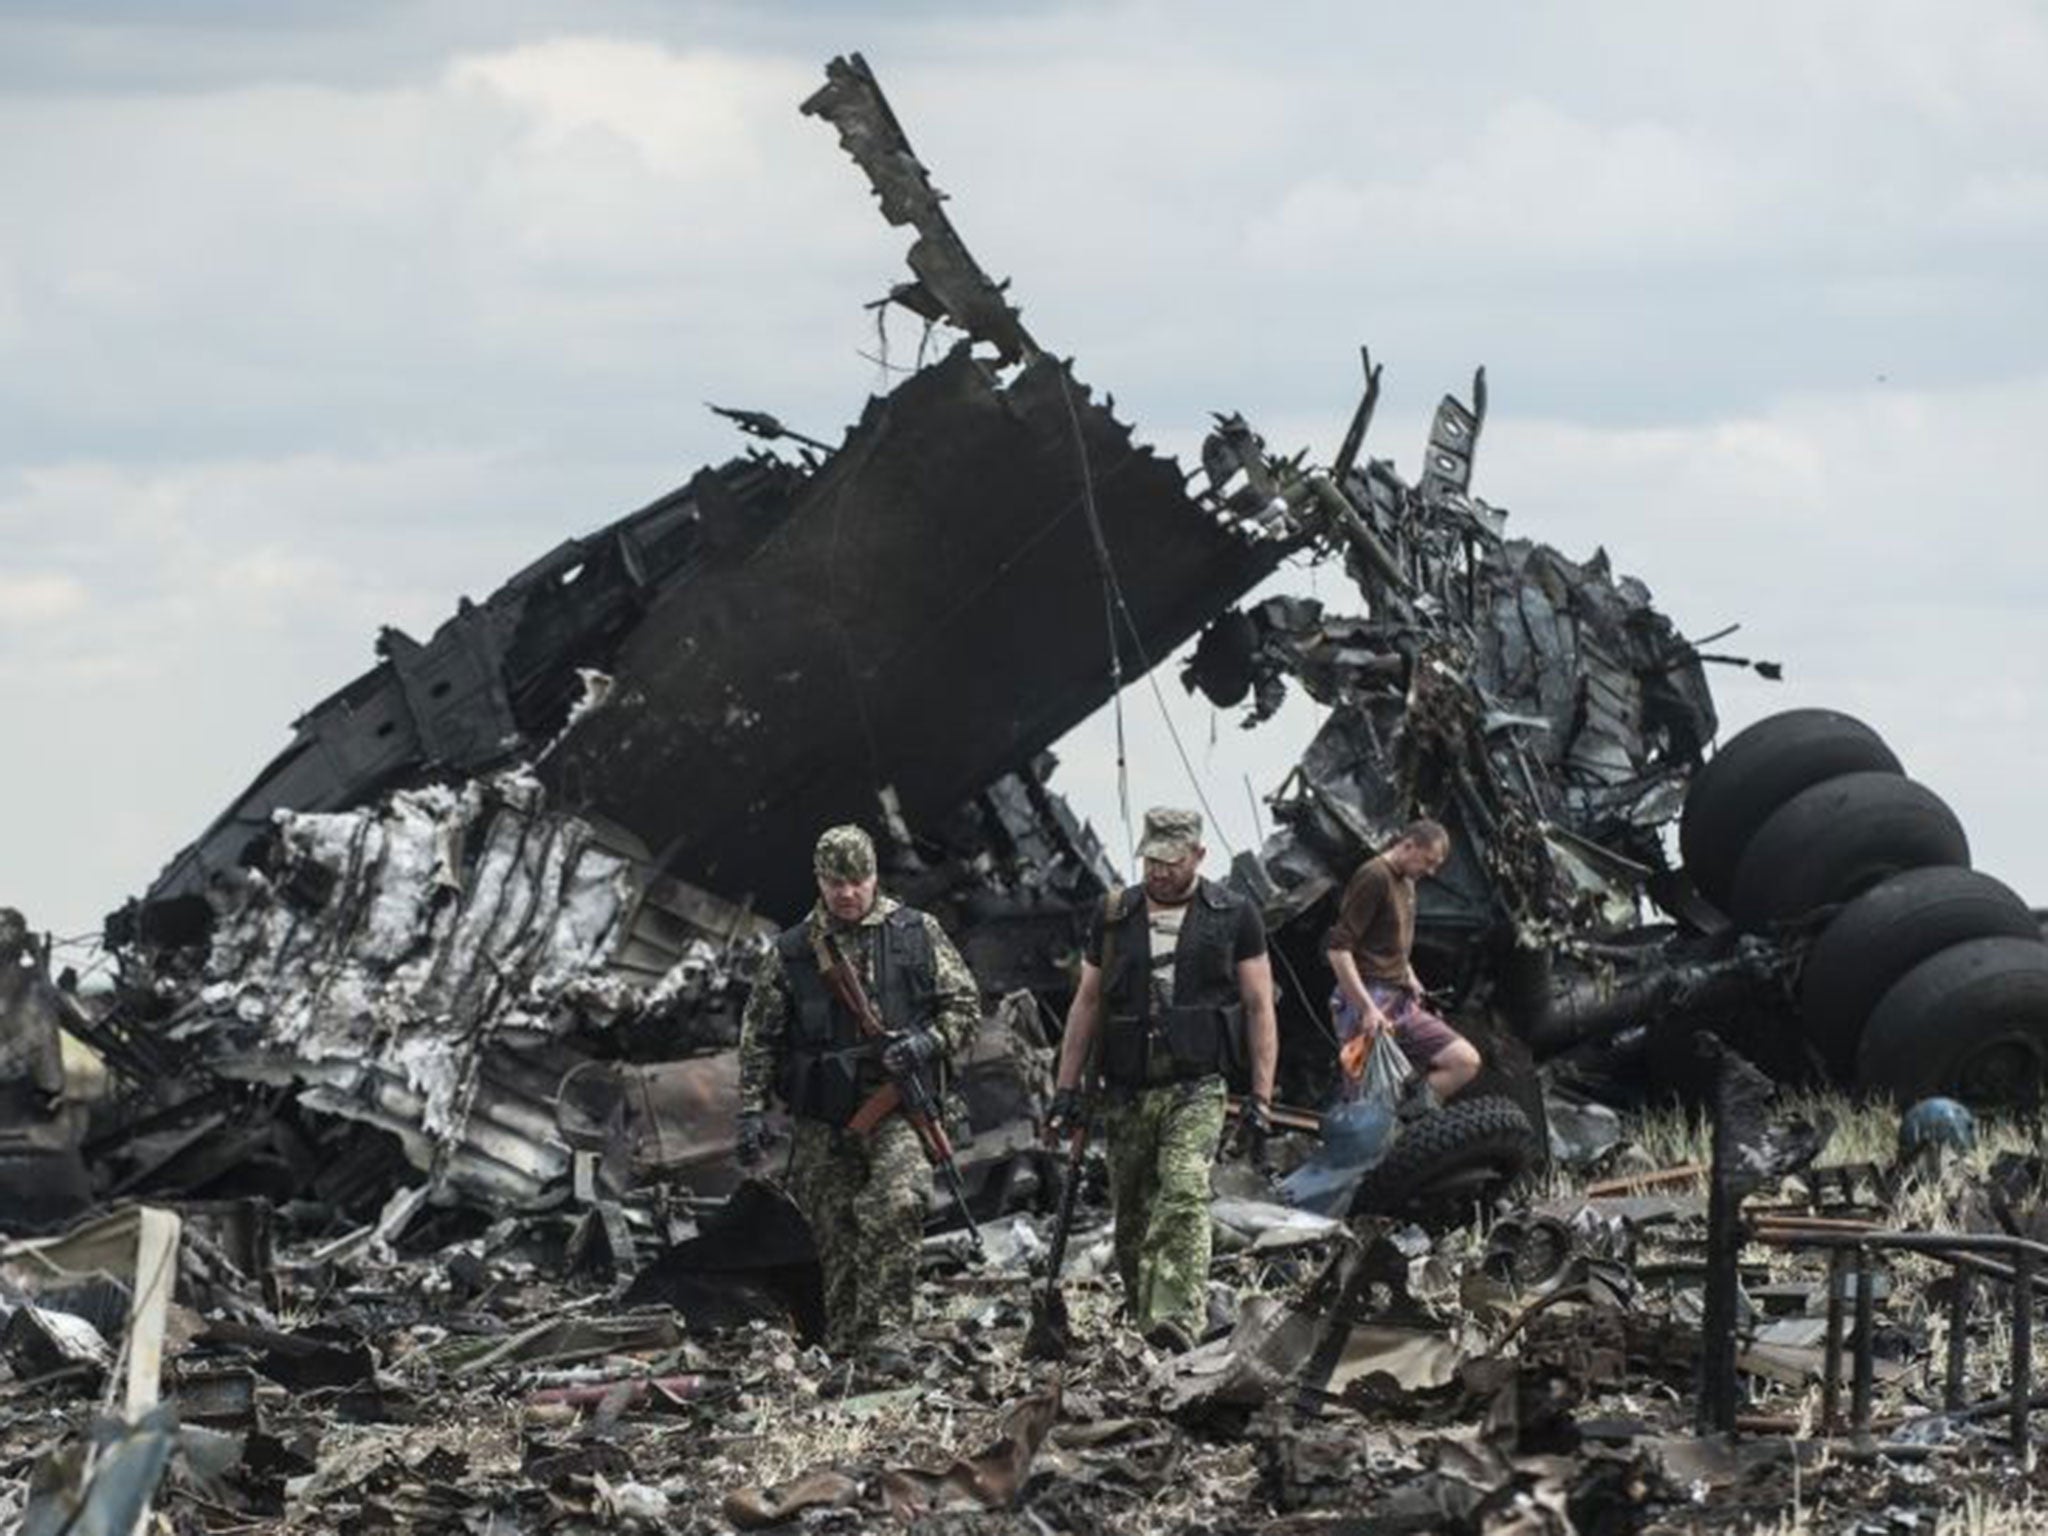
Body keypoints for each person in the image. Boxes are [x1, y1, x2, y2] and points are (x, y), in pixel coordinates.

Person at [734, 825, 980, 1361]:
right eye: (835, 882)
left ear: (874, 876)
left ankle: (888, 1336)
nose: (848, 893)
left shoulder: (916, 933)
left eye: (858, 880)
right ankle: (846, 1348)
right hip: (823, 1118)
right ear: (819, 882)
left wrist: (924, 1042)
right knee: (836, 1234)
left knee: (896, 1203)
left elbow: (965, 1008)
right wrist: (749, 1112)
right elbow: (760, 1038)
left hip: (897, 1105)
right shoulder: (793, 951)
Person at [1046, 807, 1278, 1352]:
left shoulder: (1233, 914)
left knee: (1182, 1193)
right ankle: (1148, 1325)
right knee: (1132, 1218)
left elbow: (1259, 1007)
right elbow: (1087, 1002)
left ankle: (1176, 1321)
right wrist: (1065, 1089)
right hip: (1125, 1092)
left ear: (1198, 855)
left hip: (1196, 1087)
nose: (1159, 871)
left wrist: (1261, 1099)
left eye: (1172, 861)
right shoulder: (1112, 914)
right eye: (1151, 859)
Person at [1325, 818, 1482, 1107]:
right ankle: (1366, 1136)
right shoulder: (1374, 876)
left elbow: (1391, 942)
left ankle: (1405, 1122)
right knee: (1363, 1100)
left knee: (1463, 1060)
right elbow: (1338, 951)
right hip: (1366, 1003)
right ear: (1408, 846)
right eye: (1428, 861)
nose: (1431, 871)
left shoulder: (1407, 883)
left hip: (1400, 1001)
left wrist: (1409, 975)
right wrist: (1367, 1009)